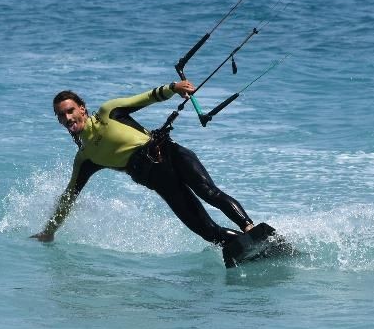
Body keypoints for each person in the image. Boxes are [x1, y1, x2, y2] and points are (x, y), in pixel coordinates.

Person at [31, 80, 257, 246]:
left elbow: (146, 97)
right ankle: (245, 246)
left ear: (82, 108)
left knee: (209, 192)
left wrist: (174, 88)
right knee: (206, 230)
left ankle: (252, 229)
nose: (68, 118)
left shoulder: (108, 112)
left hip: (170, 154)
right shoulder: (86, 158)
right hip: (159, 180)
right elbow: (68, 198)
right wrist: (50, 231)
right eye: (61, 115)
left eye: (71, 111)